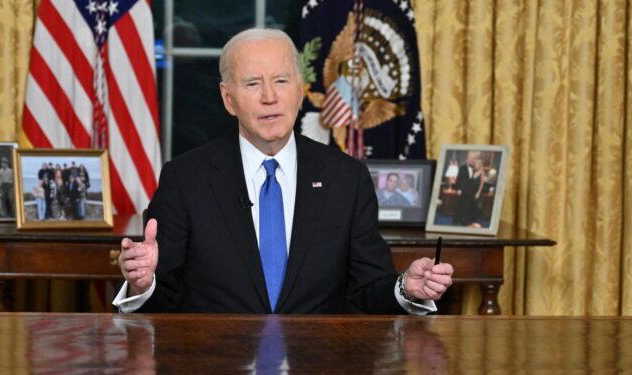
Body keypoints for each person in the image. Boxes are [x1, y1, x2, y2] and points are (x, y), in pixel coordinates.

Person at [114, 29, 453, 315]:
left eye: (280, 80)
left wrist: (407, 289)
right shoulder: (185, 179)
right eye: (252, 84)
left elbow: (369, 288)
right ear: (228, 99)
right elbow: (160, 303)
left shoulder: (346, 180)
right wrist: (142, 283)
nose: (270, 97)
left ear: (299, 89)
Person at [453, 152, 485, 226]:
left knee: (470, 208)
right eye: (470, 158)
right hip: (464, 192)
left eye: (473, 158)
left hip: (473, 192)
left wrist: (478, 193)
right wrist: (458, 189)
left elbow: (481, 183)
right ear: (467, 158)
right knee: (462, 207)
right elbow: (459, 180)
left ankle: (468, 222)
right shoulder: (462, 168)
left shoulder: (475, 169)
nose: (472, 160)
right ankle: (459, 221)